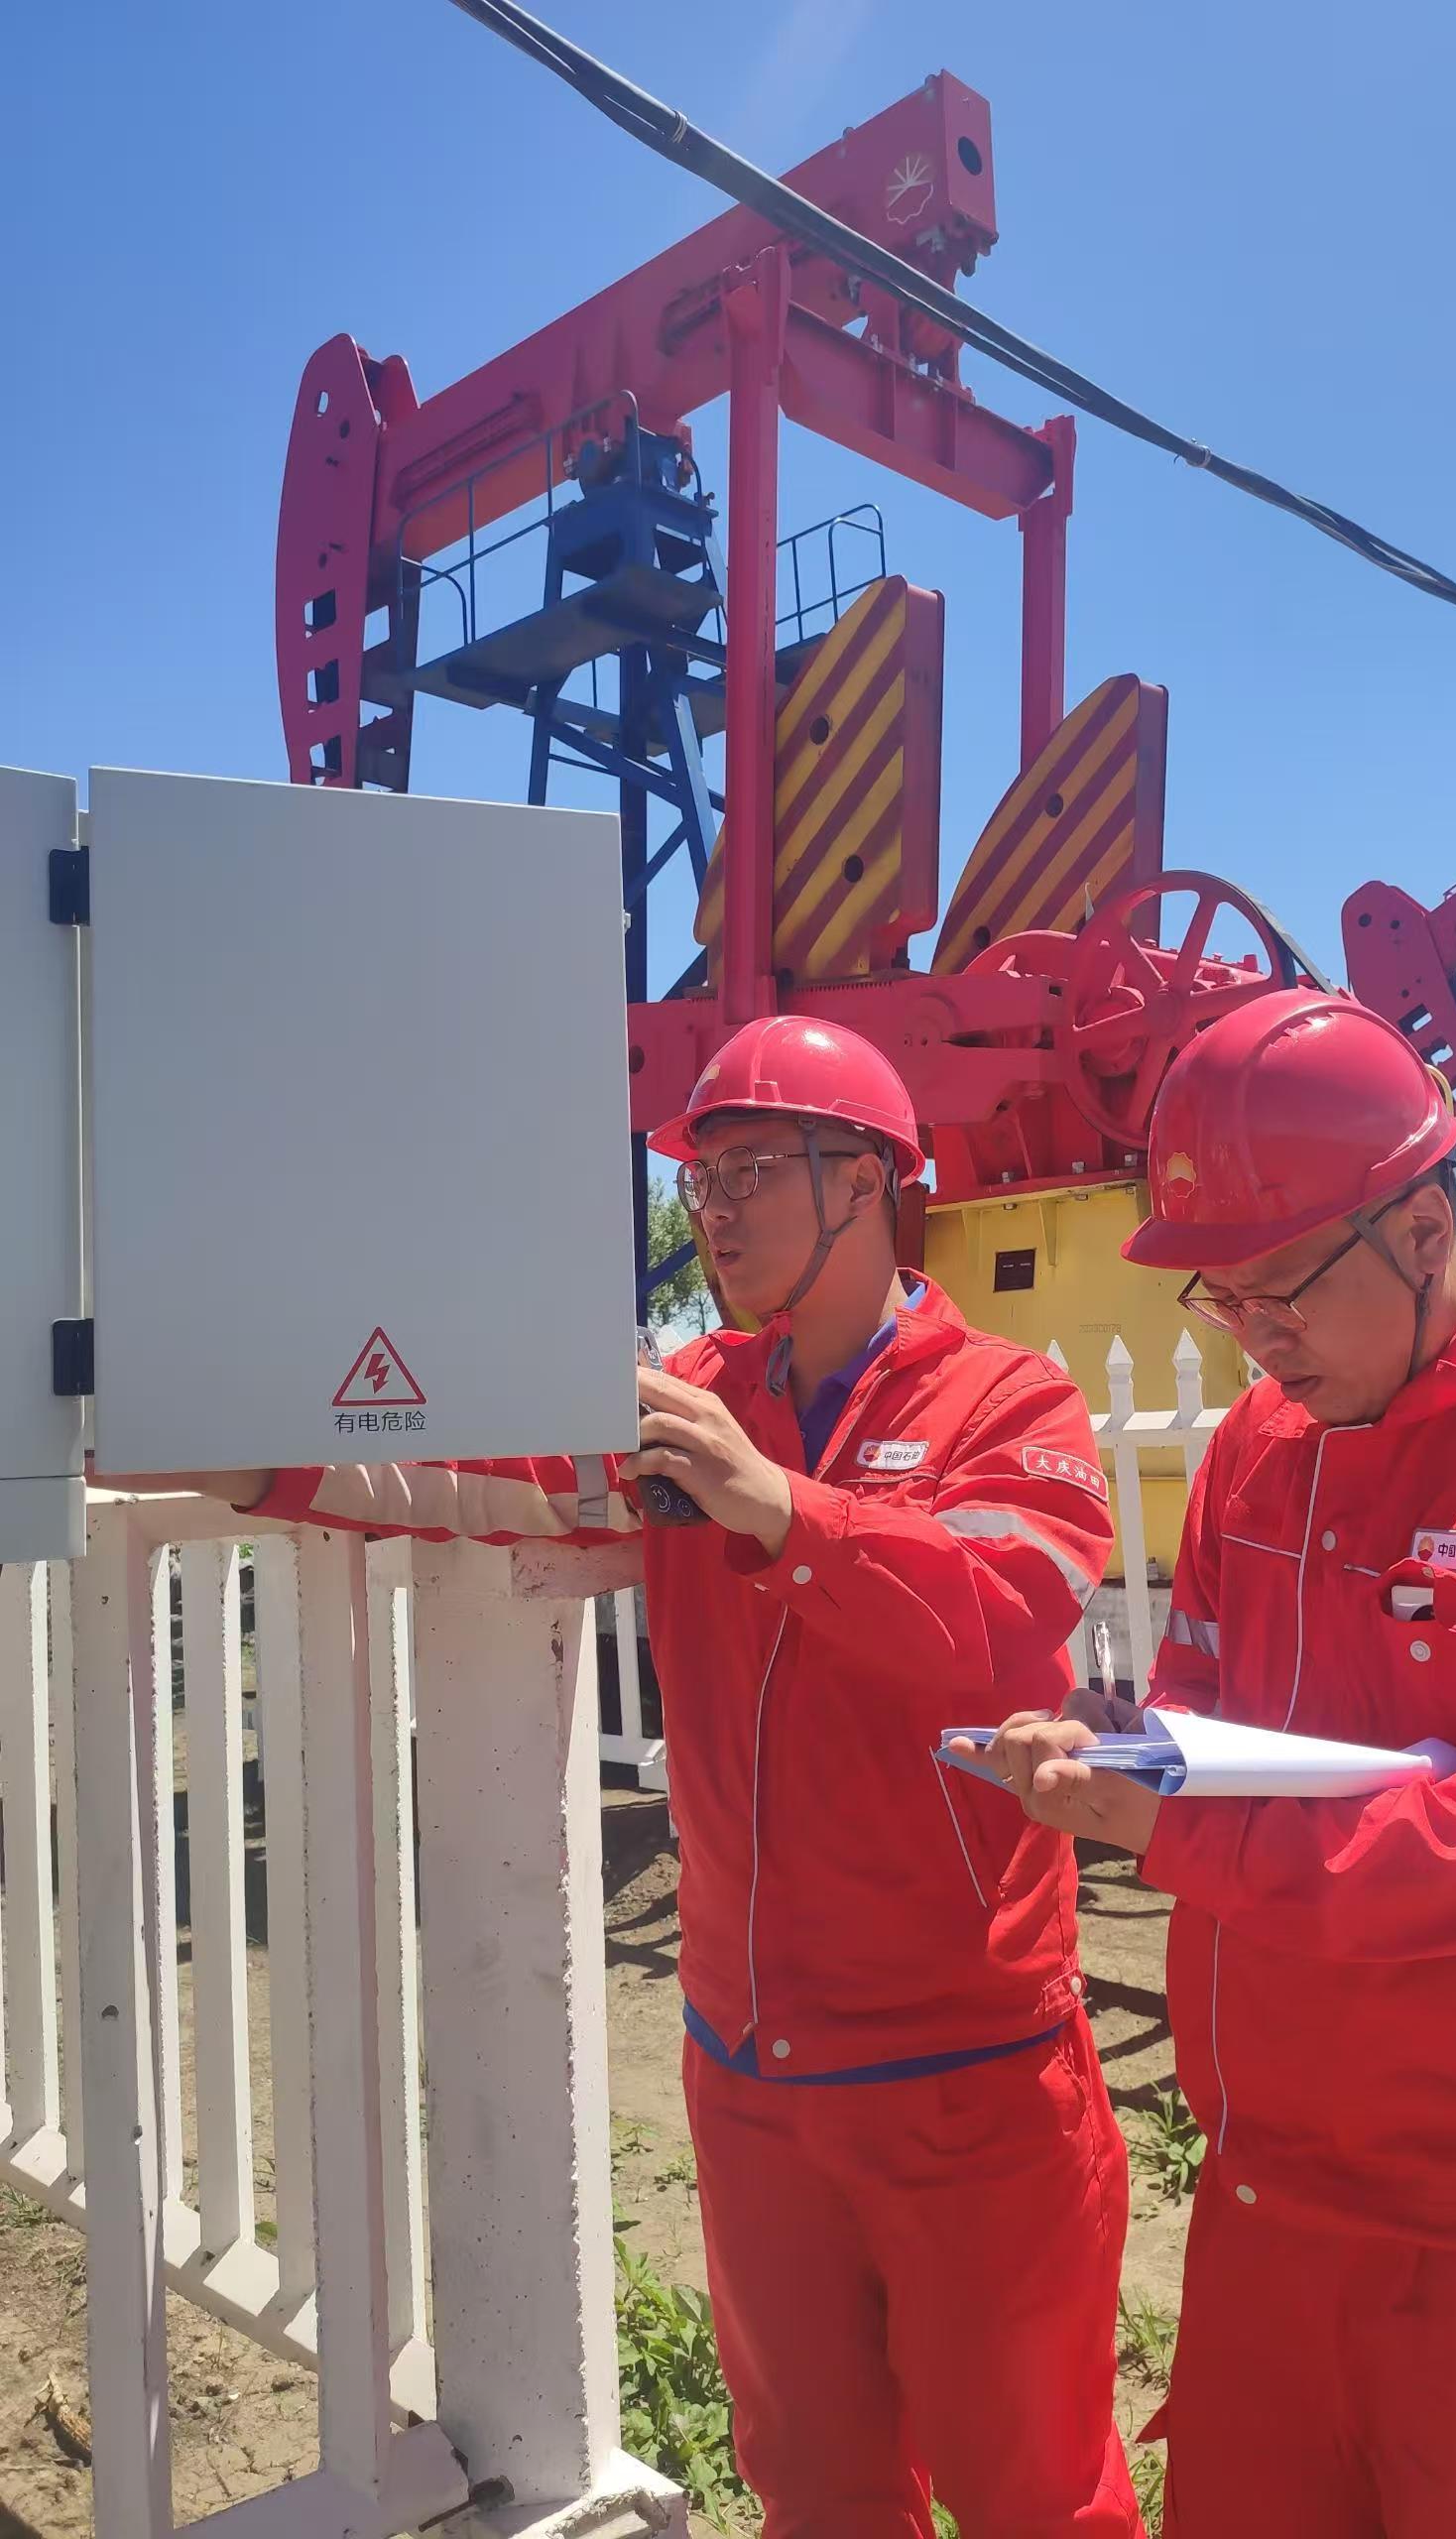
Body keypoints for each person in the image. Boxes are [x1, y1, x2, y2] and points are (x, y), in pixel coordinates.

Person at [129, 1015, 1142, 2539]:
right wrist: (237, 1456)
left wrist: (777, 1506)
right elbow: (474, 1479)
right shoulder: (686, 1398)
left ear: (867, 1177)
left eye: (751, 1172)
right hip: (752, 2077)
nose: (712, 1212)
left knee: (1035, 2500)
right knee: (815, 2490)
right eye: (699, 1182)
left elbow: (1007, 1616)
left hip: (969, 2080)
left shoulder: (1006, 1403)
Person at [971, 988, 1456, 2539]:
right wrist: (1128, 1750)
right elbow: (1206, 1721)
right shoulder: (1260, 1449)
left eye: (1279, 1287)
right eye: (1220, 1296)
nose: (1253, 1335)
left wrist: (1170, 1831)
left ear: (1423, 1227)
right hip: (1277, 2199)